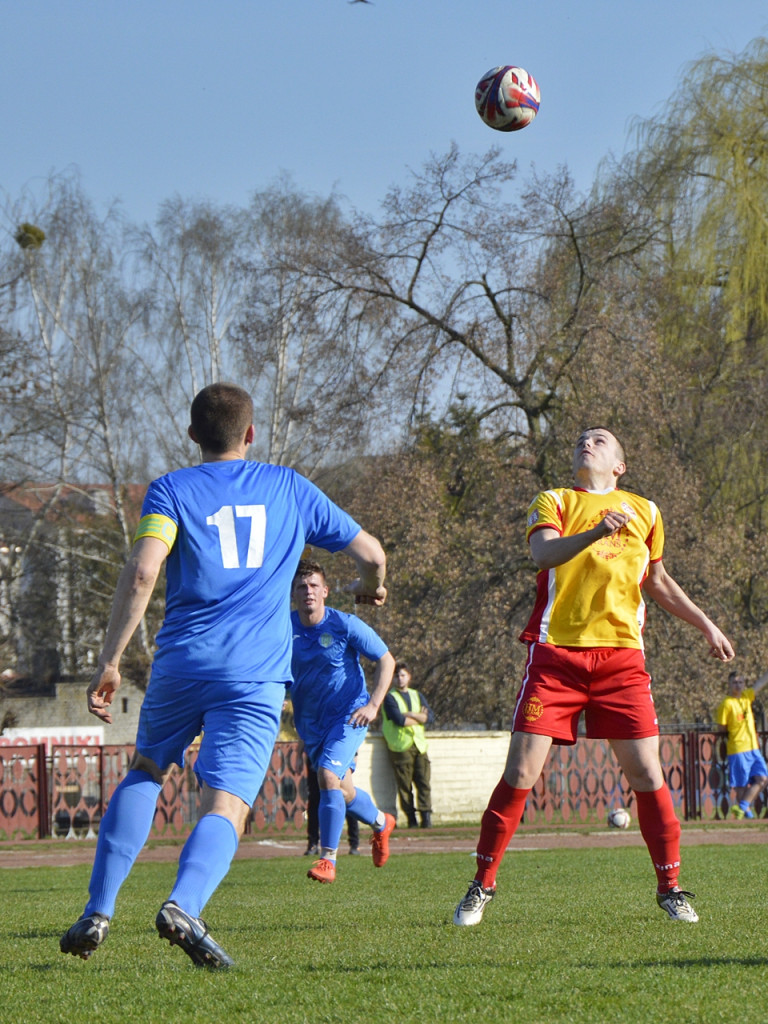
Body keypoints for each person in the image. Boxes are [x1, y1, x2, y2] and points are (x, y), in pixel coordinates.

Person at [59, 383, 387, 968]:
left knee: (147, 767)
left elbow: (142, 573)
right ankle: (183, 906)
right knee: (227, 804)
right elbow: (371, 551)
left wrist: (110, 660)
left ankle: (97, 911)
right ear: (251, 433)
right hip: (253, 675)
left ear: (193, 436)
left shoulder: (171, 490)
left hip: (183, 662)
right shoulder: (290, 488)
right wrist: (371, 586)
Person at [453, 427, 734, 928]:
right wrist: (598, 531)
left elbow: (659, 582)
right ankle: (481, 885)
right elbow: (543, 556)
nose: (587, 442)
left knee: (648, 774)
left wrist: (706, 624)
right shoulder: (555, 500)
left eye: (600, 440)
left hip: (622, 660)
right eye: (581, 438)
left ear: (619, 465)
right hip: (555, 657)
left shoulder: (646, 512)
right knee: (520, 773)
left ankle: (670, 889)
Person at [290, 559, 396, 883]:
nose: (308, 592)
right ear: (293, 594)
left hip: (349, 715)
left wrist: (374, 704)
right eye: (301, 587)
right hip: (311, 724)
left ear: (325, 591)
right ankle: (381, 822)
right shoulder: (283, 628)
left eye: (313, 586)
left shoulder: (344, 624)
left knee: (326, 776)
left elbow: (386, 660)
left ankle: (328, 859)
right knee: (342, 789)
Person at [381, 662, 434, 828]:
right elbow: (400, 721)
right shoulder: (390, 697)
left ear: (409, 677)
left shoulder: (416, 695)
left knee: (423, 782)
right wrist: (419, 718)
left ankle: (426, 818)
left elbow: (429, 718)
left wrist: (411, 714)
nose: (400, 679)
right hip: (400, 747)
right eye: (396, 676)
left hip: (419, 745)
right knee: (405, 786)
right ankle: (411, 819)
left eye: (403, 675)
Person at [715, 669, 768, 819]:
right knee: (741, 785)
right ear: (729, 684)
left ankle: (743, 807)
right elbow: (721, 727)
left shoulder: (746, 697)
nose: (738, 685)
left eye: (740, 682)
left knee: (762, 778)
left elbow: (760, 684)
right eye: (734, 682)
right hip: (738, 748)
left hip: (753, 747)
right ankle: (747, 816)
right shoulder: (726, 704)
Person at [303, 749, 361, 855]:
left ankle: (354, 844)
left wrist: (354, 755)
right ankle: (313, 844)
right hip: (316, 755)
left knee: (346, 796)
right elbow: (305, 736)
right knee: (314, 799)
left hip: (338, 756)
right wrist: (299, 755)